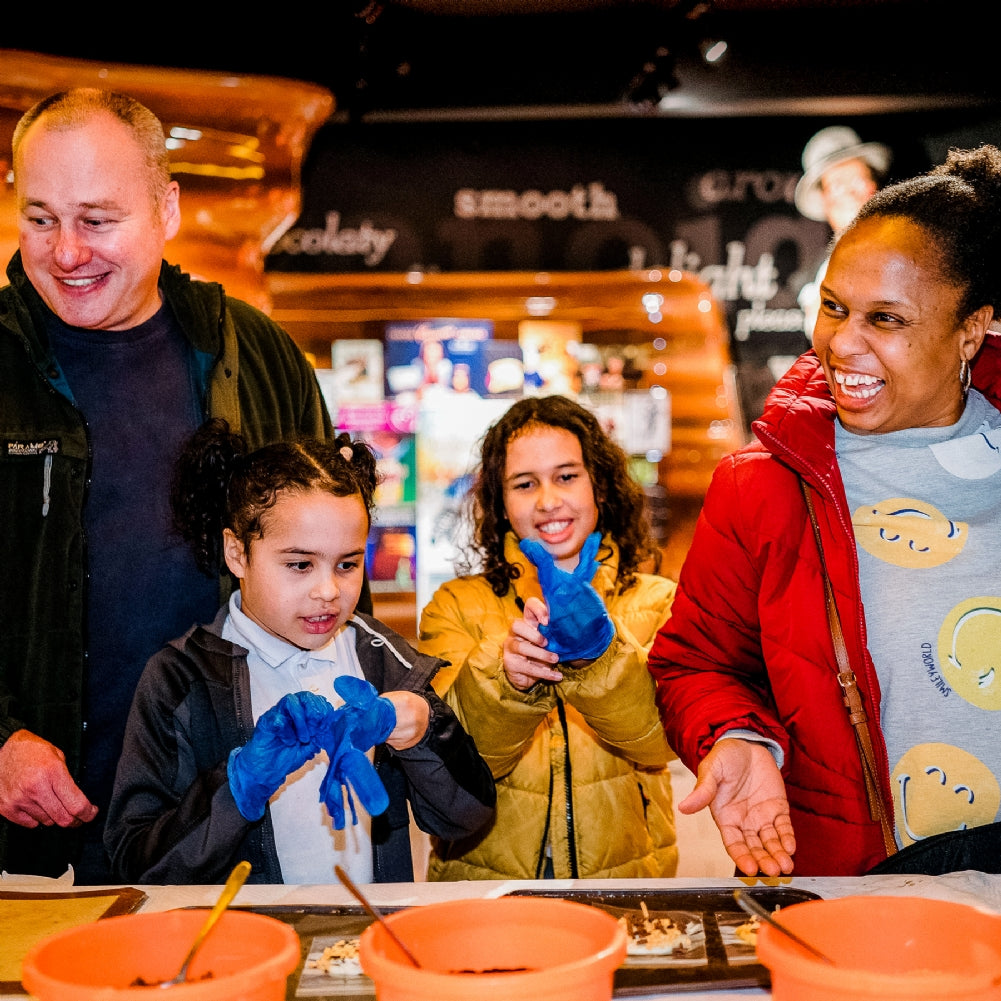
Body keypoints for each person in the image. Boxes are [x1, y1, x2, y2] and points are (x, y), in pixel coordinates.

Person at [0, 87, 366, 883]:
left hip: (240, 811)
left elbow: (331, 549)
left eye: (97, 220)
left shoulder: (255, 352)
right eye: (41, 219)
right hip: (44, 832)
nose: (67, 252)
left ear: (166, 209)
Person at [648, 145, 1001, 877]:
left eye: (886, 318)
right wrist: (736, 737)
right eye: (834, 307)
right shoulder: (762, 486)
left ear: (970, 329)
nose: (842, 342)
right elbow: (695, 662)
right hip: (862, 888)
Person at [104, 421, 495, 883]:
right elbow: (138, 864)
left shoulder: (379, 655)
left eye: (347, 564)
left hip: (367, 925)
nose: (328, 590)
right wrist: (238, 786)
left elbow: (466, 817)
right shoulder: (179, 679)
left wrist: (423, 729)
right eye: (300, 564)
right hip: (241, 930)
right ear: (237, 553)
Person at [419, 394, 678, 879]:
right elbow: (449, 765)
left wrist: (599, 656)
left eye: (566, 476)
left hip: (625, 877)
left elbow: (663, 744)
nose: (548, 500)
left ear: (599, 485)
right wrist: (506, 681)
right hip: (487, 883)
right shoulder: (454, 606)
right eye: (524, 483)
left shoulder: (659, 601)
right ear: (499, 504)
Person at [794, 125, 892, 339]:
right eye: (838, 185)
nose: (851, 193)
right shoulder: (823, 270)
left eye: (859, 181)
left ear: (874, 187)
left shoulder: (904, 254)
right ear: (825, 199)